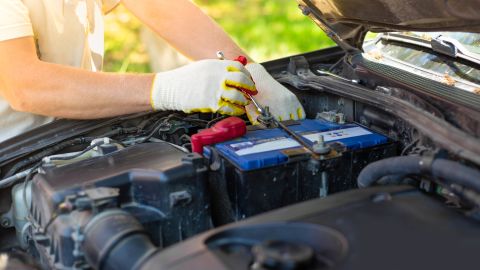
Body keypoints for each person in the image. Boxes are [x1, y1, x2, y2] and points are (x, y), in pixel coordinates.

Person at [0, 0, 305, 142]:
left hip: (74, 132)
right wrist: (164, 89)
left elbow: (156, 5)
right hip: (13, 157)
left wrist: (252, 72)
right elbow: (25, 86)